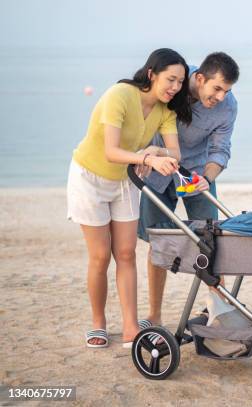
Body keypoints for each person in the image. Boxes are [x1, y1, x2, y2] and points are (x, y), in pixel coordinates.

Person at [67, 48, 191, 348]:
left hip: (125, 181)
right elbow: (111, 151)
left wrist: (153, 151)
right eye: (170, 79)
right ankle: (98, 324)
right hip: (89, 178)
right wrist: (145, 160)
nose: (175, 87)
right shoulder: (120, 95)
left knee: (125, 254)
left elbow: (175, 153)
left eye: (180, 82)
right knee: (99, 256)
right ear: (152, 74)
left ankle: (131, 328)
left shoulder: (166, 110)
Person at [137, 52, 239, 326]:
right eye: (217, 88)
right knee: (156, 242)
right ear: (200, 77)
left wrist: (208, 176)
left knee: (210, 240)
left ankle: (218, 307)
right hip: (157, 172)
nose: (220, 96)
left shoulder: (228, 106)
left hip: (196, 176)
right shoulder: (176, 82)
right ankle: (154, 316)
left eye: (226, 91)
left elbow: (220, 149)